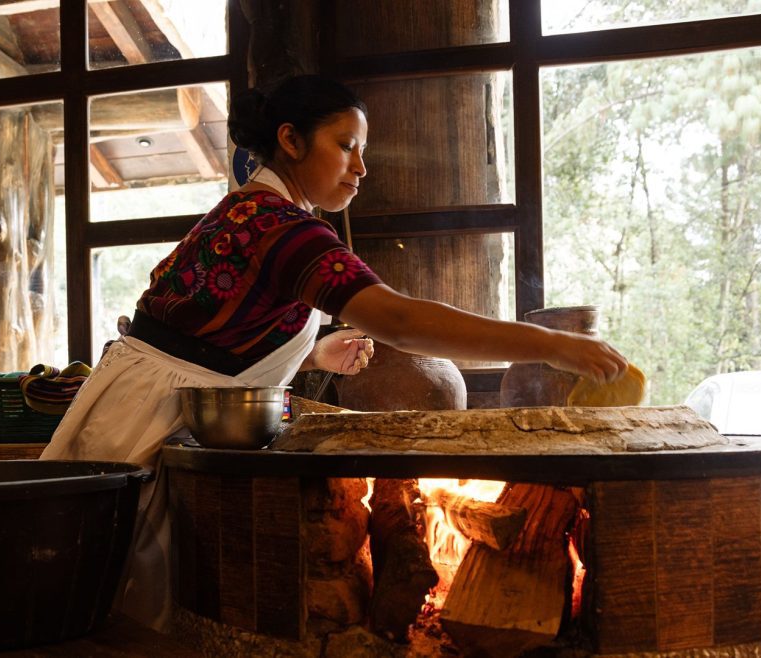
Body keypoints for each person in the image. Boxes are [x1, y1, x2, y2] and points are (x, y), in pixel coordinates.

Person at [40, 74, 629, 632]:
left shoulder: (244, 212)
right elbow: (399, 320)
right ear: (290, 140)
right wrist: (554, 345)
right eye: (345, 145)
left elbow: (206, 345)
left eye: (362, 149)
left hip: (125, 416)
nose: (360, 166)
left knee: (85, 603)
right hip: (141, 433)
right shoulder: (286, 231)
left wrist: (314, 356)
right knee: (117, 615)